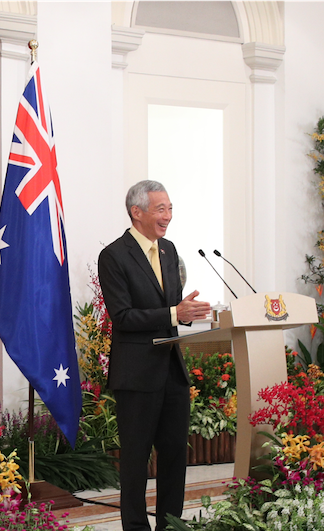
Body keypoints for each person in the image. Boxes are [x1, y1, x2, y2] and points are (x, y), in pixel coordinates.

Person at [97, 180, 212, 531]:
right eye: (161, 209)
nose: (168, 216)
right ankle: (135, 526)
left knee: (175, 455)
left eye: (170, 208)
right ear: (137, 212)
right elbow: (123, 317)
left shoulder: (169, 250)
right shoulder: (114, 256)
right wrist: (175, 313)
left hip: (172, 372)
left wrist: (186, 311)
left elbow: (172, 310)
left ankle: (171, 524)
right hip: (136, 375)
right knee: (135, 460)